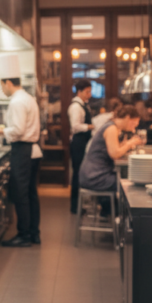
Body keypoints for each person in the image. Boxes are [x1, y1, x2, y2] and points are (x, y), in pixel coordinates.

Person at [0, 55, 42, 246]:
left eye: (2, 85)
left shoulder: (17, 101)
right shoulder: (28, 98)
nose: (2, 89)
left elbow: (17, 131)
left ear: (8, 82)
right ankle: (34, 232)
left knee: (21, 194)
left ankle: (24, 235)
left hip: (22, 150)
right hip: (32, 150)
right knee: (31, 194)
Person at [79, 105, 146, 217]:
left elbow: (114, 149)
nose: (135, 127)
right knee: (129, 185)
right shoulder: (111, 128)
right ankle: (123, 220)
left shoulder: (112, 126)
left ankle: (112, 214)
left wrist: (126, 144)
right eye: (134, 123)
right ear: (128, 118)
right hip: (94, 176)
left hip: (93, 174)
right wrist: (130, 143)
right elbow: (114, 154)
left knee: (125, 181)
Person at [68, 79, 94, 213]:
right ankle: (75, 207)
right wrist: (91, 126)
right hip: (78, 143)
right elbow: (75, 126)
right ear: (79, 92)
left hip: (83, 142)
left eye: (90, 92)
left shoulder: (83, 105)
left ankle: (78, 205)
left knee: (80, 173)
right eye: (87, 92)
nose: (89, 95)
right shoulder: (75, 107)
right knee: (77, 174)